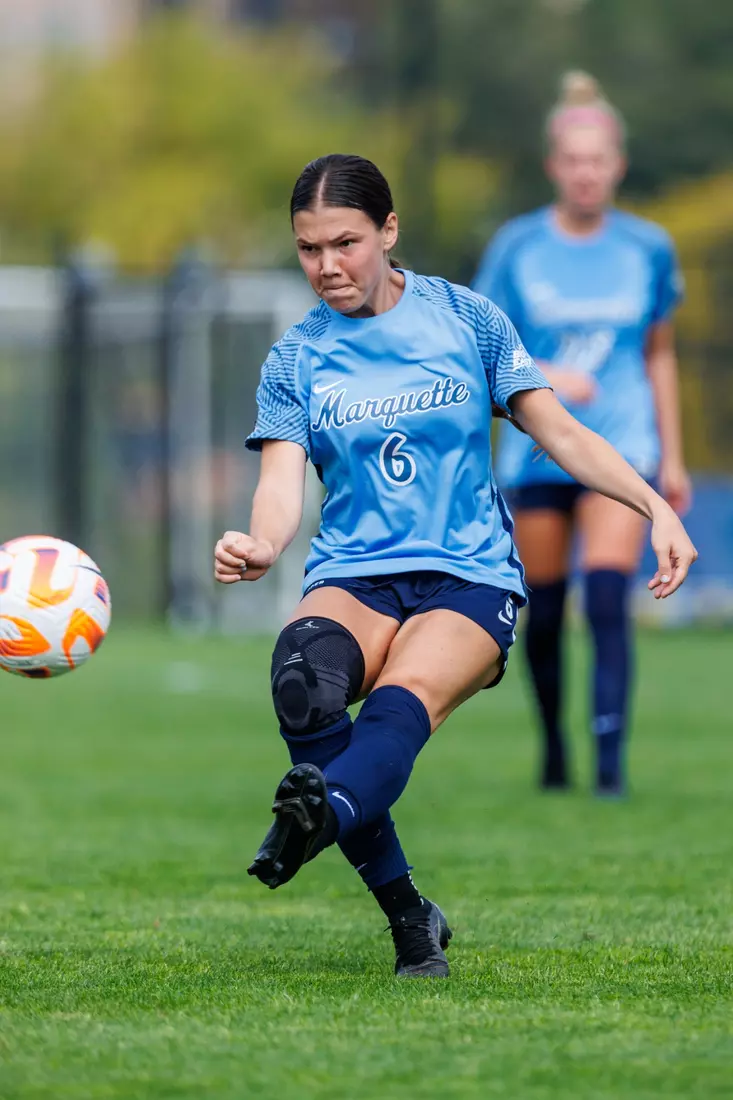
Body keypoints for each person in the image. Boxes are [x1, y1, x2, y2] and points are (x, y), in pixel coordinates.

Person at [214, 154, 696, 979]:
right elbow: (279, 487)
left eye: (345, 242)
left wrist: (651, 505)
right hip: (354, 571)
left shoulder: (465, 318)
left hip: (467, 575)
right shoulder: (296, 358)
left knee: (399, 712)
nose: (326, 266)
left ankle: (321, 817)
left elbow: (564, 435)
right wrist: (260, 543)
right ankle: (408, 912)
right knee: (301, 678)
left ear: (389, 231)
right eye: (307, 249)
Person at [473, 72, 691, 796]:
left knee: (606, 597)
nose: (586, 172)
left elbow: (658, 353)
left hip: (624, 444)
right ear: (553, 167)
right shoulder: (516, 246)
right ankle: (553, 751)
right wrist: (545, 375)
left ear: (616, 165)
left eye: (597, 160)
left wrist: (674, 457)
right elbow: (482, 346)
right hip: (538, 448)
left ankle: (607, 763)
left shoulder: (647, 248)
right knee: (546, 606)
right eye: (573, 160)